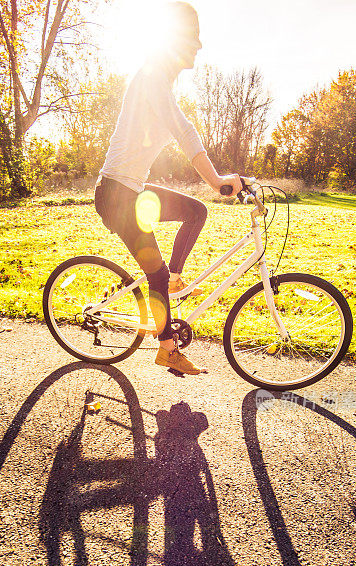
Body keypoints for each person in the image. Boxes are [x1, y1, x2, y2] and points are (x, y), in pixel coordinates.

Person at [94, 1, 242, 376]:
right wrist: (217, 180)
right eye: (193, 36)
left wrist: (235, 182)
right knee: (154, 275)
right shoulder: (150, 77)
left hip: (133, 190)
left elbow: (181, 125)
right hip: (115, 195)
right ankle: (166, 349)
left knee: (197, 212)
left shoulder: (161, 82)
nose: (199, 45)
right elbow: (182, 129)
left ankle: (174, 278)